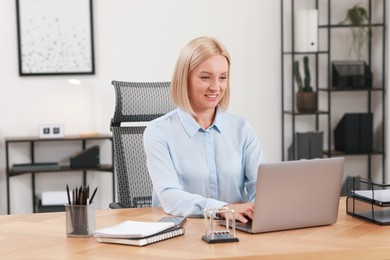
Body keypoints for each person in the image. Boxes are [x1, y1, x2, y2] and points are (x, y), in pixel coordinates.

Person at [143, 36, 265, 223]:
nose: (216, 87)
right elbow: (169, 197)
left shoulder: (242, 129)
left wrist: (262, 210)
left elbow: (261, 188)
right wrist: (222, 208)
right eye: (205, 77)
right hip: (181, 235)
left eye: (222, 77)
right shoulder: (158, 132)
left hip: (237, 233)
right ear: (185, 79)